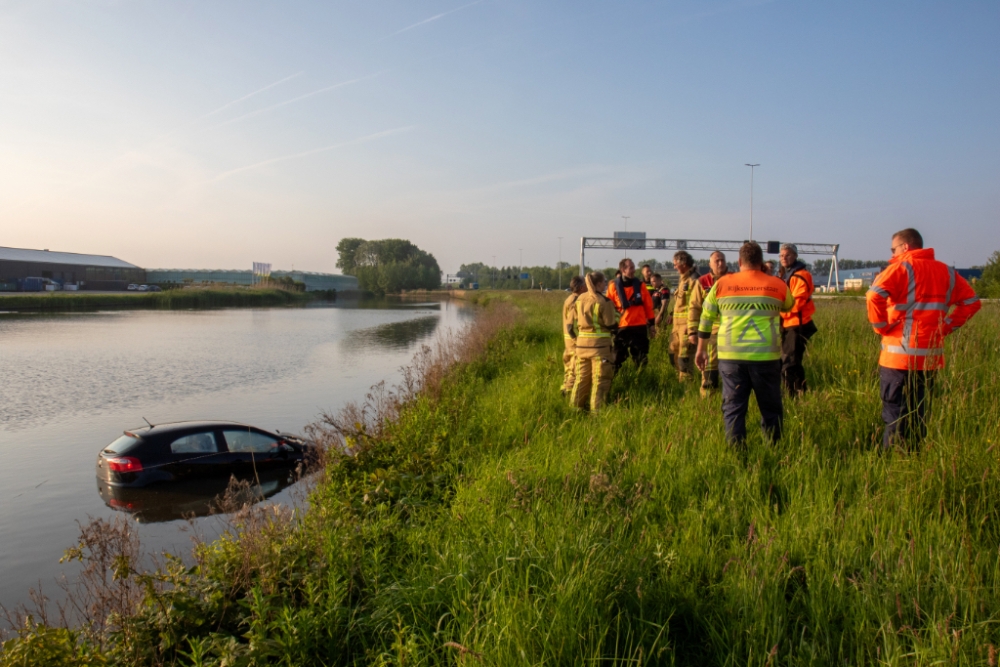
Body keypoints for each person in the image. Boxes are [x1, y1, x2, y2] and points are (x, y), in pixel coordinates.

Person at [866, 228, 981, 449]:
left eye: (893, 248)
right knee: (918, 410)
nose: (892, 253)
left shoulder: (900, 268)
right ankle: (915, 457)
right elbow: (972, 302)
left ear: (905, 247)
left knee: (894, 412)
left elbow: (874, 295)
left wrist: (881, 327)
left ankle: (893, 460)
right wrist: (946, 326)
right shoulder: (946, 272)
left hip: (897, 355)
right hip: (929, 356)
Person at [696, 242, 794, 445]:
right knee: (771, 408)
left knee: (733, 409)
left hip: (731, 358)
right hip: (766, 357)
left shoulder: (722, 284)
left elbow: (706, 317)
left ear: (739, 262)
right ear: (761, 262)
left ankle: (737, 455)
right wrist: (768, 277)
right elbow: (789, 304)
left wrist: (701, 349)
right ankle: (773, 449)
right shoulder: (776, 284)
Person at [572, 272, 618, 411]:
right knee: (600, 380)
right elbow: (611, 324)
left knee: (581, 379)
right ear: (598, 284)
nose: (605, 285)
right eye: (604, 282)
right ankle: (597, 412)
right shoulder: (603, 301)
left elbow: (575, 318)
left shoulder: (579, 298)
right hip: (599, 348)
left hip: (581, 347)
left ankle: (575, 409)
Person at [778, 244, 817, 395]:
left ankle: (793, 395)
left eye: (787, 255)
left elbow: (796, 304)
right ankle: (800, 392)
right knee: (790, 362)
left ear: (795, 256)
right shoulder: (786, 274)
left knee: (790, 364)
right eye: (781, 255)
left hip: (797, 325)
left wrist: (778, 312)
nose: (783, 258)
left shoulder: (801, 275)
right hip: (788, 325)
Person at [606, 258, 655, 370]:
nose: (634, 270)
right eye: (631, 268)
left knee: (640, 358)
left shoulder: (641, 286)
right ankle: (614, 382)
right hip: (621, 327)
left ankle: (641, 380)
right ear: (623, 270)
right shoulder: (613, 287)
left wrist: (652, 325)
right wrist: (609, 326)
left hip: (639, 327)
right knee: (616, 358)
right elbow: (608, 308)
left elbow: (648, 306)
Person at [691, 251, 728, 396]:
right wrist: (693, 331)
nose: (720, 263)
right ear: (710, 264)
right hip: (710, 332)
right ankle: (708, 402)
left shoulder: (734, 280)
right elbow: (694, 307)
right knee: (710, 367)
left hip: (731, 331)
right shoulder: (702, 282)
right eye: (717, 261)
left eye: (722, 260)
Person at [668, 251, 704, 381]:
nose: (674, 267)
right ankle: (680, 380)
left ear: (682, 263)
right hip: (676, 328)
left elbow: (695, 305)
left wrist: (691, 328)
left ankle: (687, 387)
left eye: (675, 264)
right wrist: (672, 314)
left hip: (686, 327)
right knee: (673, 356)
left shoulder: (694, 279)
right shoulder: (683, 279)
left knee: (685, 358)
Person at [561, 275, 587, 395]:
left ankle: (565, 388)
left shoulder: (569, 299)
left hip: (568, 341)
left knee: (568, 367)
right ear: (582, 287)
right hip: (573, 341)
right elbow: (570, 325)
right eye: (586, 285)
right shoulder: (575, 301)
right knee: (574, 368)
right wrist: (577, 340)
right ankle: (569, 393)